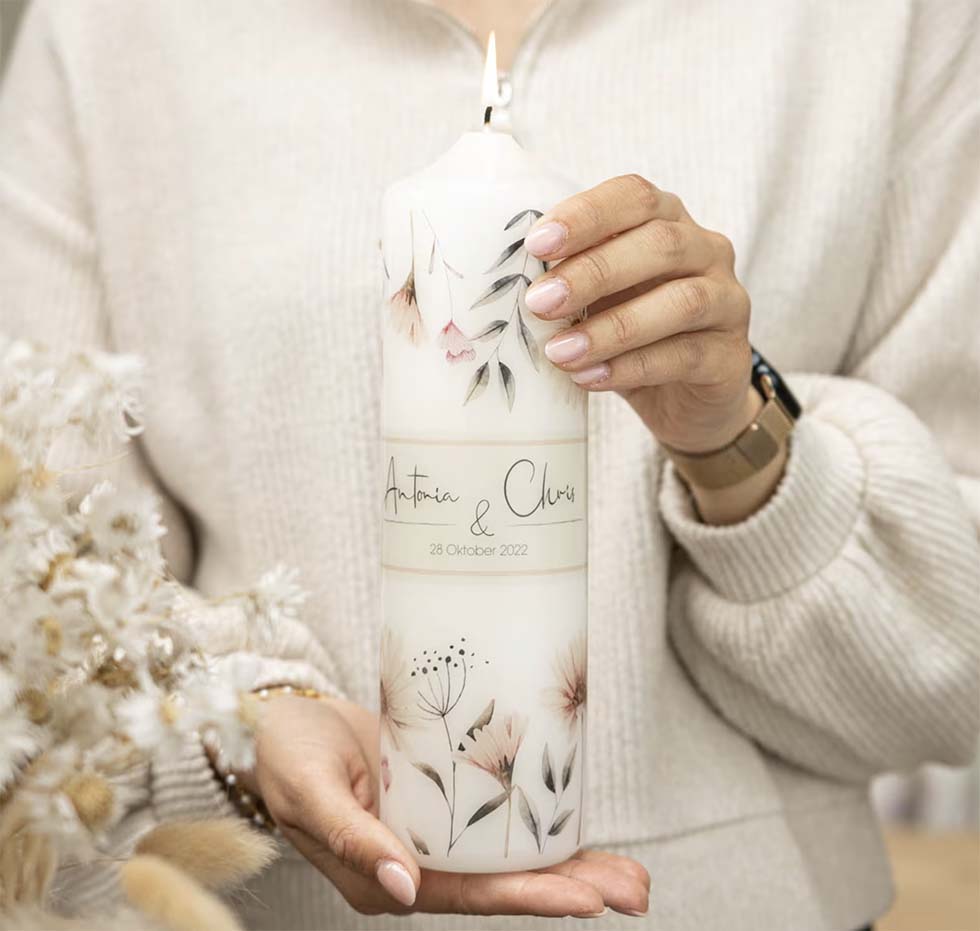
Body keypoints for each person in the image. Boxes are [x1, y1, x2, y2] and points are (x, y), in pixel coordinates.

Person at [1, 0, 977, 928]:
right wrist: (239, 723)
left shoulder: (878, 23)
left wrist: (736, 440)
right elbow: (36, 584)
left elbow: (949, 667)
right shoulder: (111, 29)